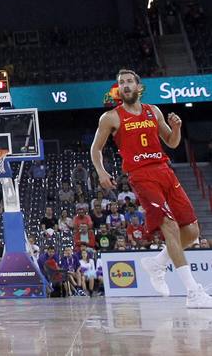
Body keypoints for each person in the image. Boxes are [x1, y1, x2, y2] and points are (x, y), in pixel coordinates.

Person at [90, 67, 211, 308]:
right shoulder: (111, 117)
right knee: (170, 226)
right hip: (141, 175)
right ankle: (193, 292)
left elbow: (172, 142)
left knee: (193, 231)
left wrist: (176, 127)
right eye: (121, 82)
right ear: (119, 89)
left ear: (138, 87)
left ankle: (157, 263)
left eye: (129, 82)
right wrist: (102, 171)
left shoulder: (153, 111)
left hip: (165, 171)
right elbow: (96, 149)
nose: (125, 85)